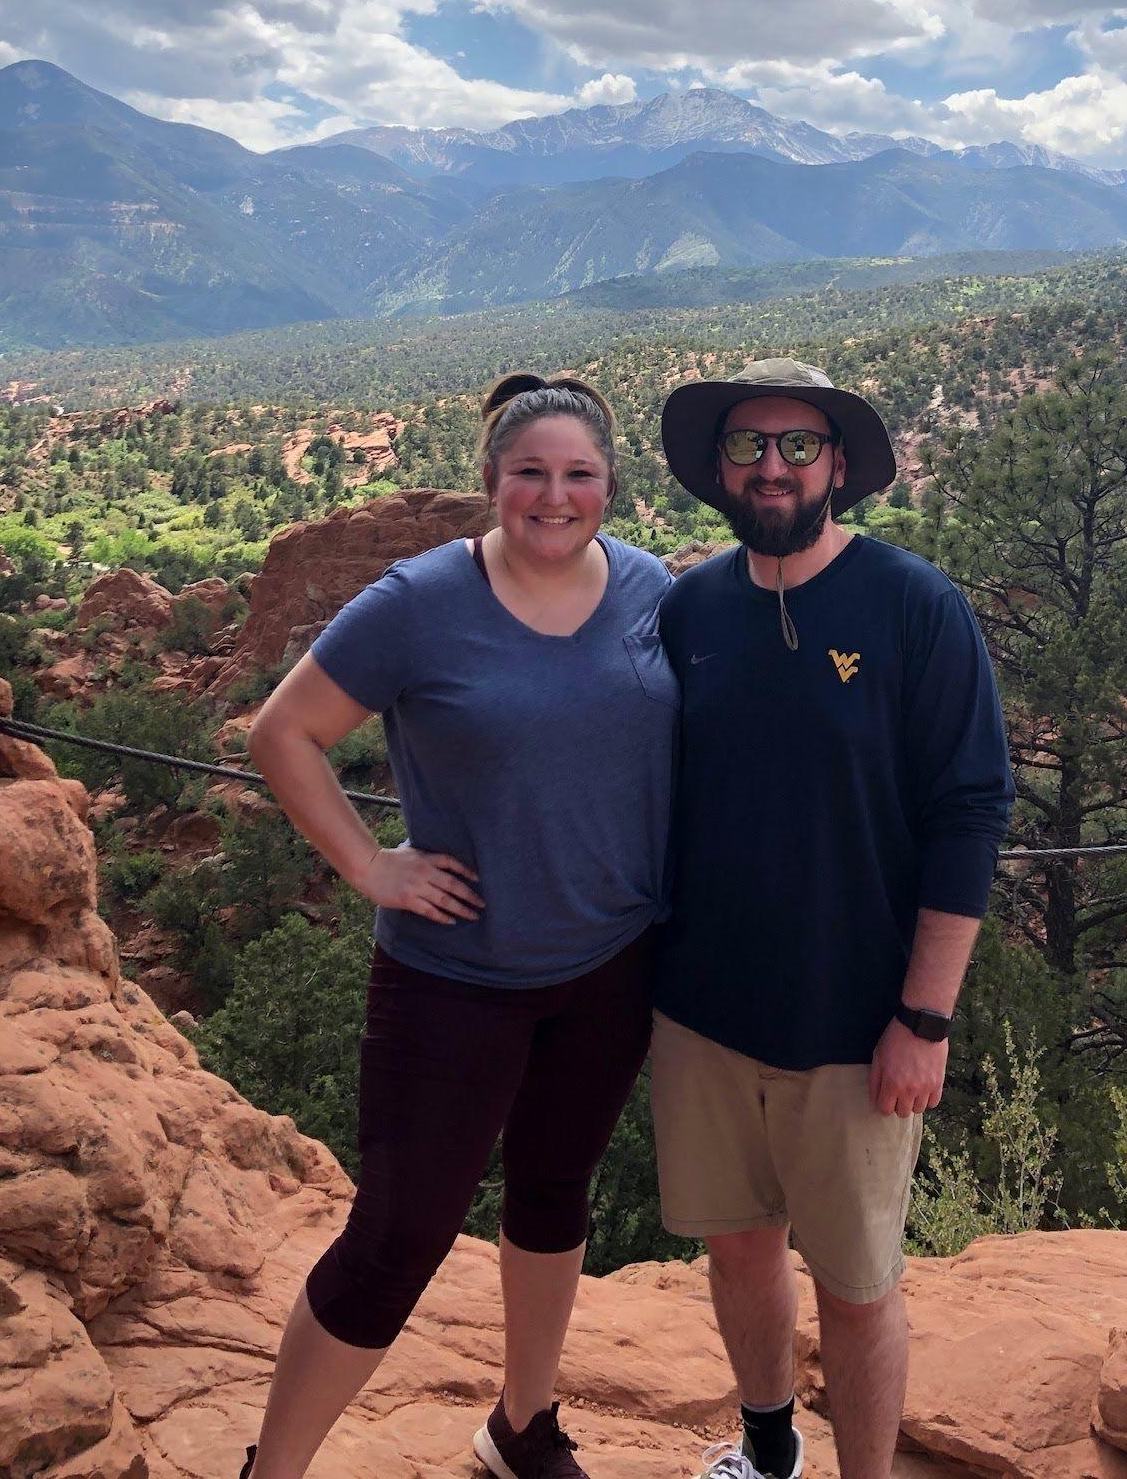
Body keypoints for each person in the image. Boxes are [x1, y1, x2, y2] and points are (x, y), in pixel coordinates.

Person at [238, 373, 678, 1479]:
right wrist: (370, 866)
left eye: (579, 473)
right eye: (529, 472)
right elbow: (283, 732)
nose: (554, 495)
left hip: (610, 965)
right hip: (454, 978)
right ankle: (271, 1472)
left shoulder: (651, 591)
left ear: (609, 485)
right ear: (490, 483)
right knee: (396, 1237)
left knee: (552, 1192)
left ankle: (521, 1428)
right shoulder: (418, 603)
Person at [649, 358, 1014, 1479]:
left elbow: (970, 812)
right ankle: (769, 1451)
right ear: (719, 468)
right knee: (740, 1246)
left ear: (838, 466)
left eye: (797, 445)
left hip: (857, 1026)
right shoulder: (690, 609)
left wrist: (926, 1018)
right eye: (750, 445)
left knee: (858, 1290)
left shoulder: (915, 607)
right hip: (702, 1014)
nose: (772, 465)